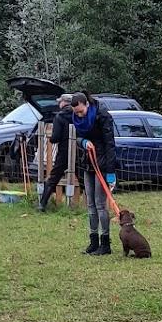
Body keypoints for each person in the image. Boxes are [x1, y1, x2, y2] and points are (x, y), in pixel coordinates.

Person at [71, 92, 117, 256]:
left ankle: (105, 244)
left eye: (81, 112)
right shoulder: (77, 118)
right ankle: (93, 241)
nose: (79, 115)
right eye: (76, 113)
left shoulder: (102, 115)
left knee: (100, 204)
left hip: (102, 164)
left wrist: (111, 172)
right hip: (87, 163)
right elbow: (77, 137)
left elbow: (110, 143)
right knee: (90, 204)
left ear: (87, 105)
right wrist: (83, 141)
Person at [38, 93, 74, 210]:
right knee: (83, 176)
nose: (59, 104)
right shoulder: (77, 114)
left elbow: (55, 137)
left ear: (64, 103)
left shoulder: (60, 116)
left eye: (60, 102)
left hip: (64, 150)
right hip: (79, 150)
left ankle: (42, 204)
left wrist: (52, 138)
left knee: (54, 177)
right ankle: (90, 203)